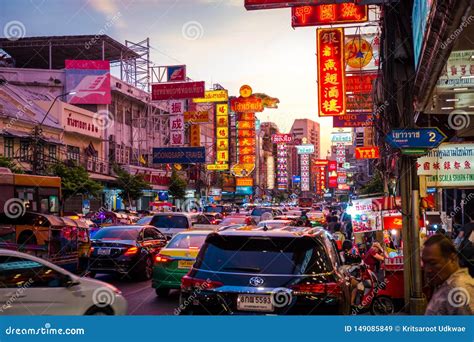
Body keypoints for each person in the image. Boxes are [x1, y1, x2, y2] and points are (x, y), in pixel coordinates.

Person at [422, 234, 474, 315]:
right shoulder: (443, 283)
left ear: (452, 259)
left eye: (433, 263)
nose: (427, 270)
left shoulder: (459, 290)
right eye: (425, 263)